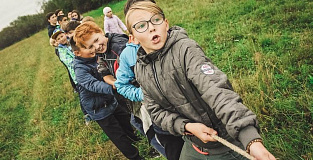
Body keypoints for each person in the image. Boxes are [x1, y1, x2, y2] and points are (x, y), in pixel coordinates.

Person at [125, 1, 277, 160]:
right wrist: (187, 127)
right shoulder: (140, 70)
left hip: (224, 141)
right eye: (141, 25)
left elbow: (216, 91)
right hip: (193, 143)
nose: (151, 27)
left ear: (166, 24)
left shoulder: (186, 50)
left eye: (156, 19)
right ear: (133, 38)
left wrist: (250, 139)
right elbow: (156, 112)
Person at [73, 22, 142, 160]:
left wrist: (115, 84)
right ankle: (135, 157)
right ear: (78, 52)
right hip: (98, 108)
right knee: (118, 135)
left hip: (111, 99)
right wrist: (115, 86)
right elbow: (93, 84)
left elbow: (106, 69)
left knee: (127, 121)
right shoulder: (79, 69)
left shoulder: (103, 52)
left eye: (96, 41)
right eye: (90, 47)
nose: (95, 48)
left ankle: (136, 139)